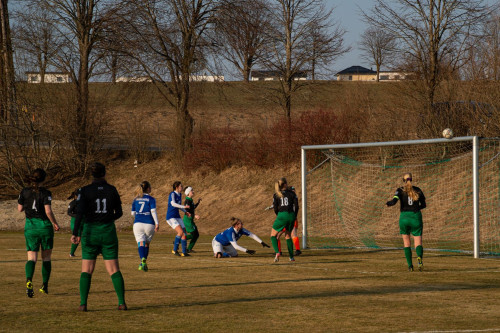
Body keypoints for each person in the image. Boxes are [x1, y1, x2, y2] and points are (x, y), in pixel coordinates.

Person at [71, 162, 126, 311]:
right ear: (105, 173)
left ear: (92, 175)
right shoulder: (112, 190)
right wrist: (108, 219)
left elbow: (80, 214)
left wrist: (75, 233)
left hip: (90, 232)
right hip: (108, 232)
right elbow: (119, 212)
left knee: (86, 270)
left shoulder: (85, 190)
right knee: (114, 269)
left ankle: (83, 304)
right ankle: (121, 303)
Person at [18, 168, 60, 297]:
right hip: (44, 227)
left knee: (32, 258)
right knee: (46, 258)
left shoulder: (24, 191)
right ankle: (44, 285)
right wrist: (55, 223)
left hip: (30, 227)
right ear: (44, 179)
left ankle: (29, 280)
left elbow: (19, 209)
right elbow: (48, 211)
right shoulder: (46, 193)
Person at [386, 172, 427, 272]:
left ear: (403, 181)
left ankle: (410, 266)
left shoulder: (400, 190)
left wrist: (389, 203)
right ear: (411, 179)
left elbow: (394, 201)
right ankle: (419, 258)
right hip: (416, 216)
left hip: (404, 218)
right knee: (418, 242)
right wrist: (417, 208)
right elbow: (424, 205)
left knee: (406, 243)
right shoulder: (418, 190)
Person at [131, 181, 159, 271]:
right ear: (147, 188)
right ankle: (143, 261)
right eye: (150, 187)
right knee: (147, 244)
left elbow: (132, 213)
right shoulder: (151, 199)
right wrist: (157, 223)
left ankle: (142, 260)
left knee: (141, 243)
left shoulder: (135, 199)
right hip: (149, 224)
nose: (151, 188)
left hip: (138, 223)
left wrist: (139, 216)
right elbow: (153, 211)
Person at [270, 178, 299, 262]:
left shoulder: (276, 194)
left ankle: (277, 252)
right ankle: (291, 257)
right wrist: (295, 216)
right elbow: (296, 206)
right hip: (291, 215)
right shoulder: (292, 193)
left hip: (282, 215)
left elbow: (275, 208)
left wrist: (279, 216)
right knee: (288, 236)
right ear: (285, 184)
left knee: (273, 235)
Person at [166, 181, 190, 257]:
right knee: (180, 232)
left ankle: (184, 252)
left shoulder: (180, 194)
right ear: (176, 187)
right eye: (181, 186)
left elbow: (179, 206)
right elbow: (173, 204)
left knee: (184, 232)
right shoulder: (172, 194)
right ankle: (174, 250)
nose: (182, 188)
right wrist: (184, 207)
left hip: (177, 216)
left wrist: (185, 211)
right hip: (171, 217)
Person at [276, 186, 301, 256]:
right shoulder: (292, 197)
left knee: (292, 234)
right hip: (291, 218)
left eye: (294, 190)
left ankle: (297, 250)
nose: (294, 192)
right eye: (292, 190)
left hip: (288, 219)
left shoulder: (290, 198)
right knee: (279, 235)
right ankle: (280, 251)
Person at [183, 186, 201, 253]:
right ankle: (179, 240)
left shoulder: (190, 200)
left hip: (190, 220)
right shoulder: (187, 200)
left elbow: (192, 208)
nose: (193, 191)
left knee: (196, 235)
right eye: (191, 190)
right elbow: (187, 211)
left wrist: (198, 203)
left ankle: (189, 249)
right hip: (188, 220)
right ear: (188, 193)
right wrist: (194, 215)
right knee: (194, 234)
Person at [68, 189, 83, 258]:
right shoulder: (72, 203)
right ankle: (71, 253)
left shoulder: (84, 203)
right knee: (78, 238)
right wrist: (77, 216)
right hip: (75, 222)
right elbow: (69, 212)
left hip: (83, 221)